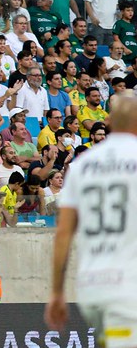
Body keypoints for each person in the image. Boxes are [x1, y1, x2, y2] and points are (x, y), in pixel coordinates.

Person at [46, 92, 137, 345]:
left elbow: (63, 233)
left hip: (92, 286)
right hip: (128, 284)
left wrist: (56, 291)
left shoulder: (84, 165)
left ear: (109, 122)